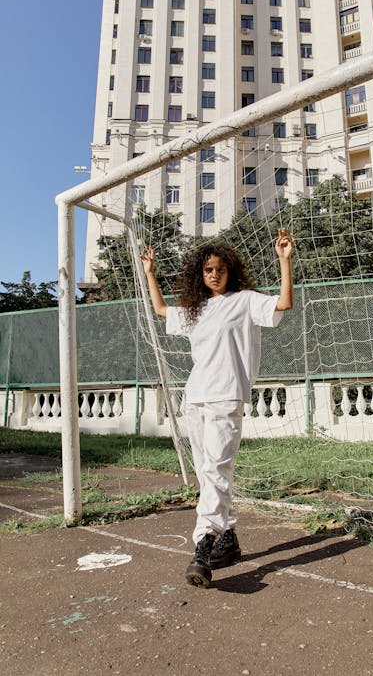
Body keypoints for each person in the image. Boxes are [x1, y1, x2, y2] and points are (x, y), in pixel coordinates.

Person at [140, 229, 295, 588]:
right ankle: (229, 540)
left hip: (227, 396)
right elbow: (163, 310)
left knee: (217, 470)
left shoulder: (244, 301)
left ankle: (203, 544)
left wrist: (284, 261)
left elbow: (283, 304)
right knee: (208, 472)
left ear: (230, 271)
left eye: (220, 268)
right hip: (194, 399)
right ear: (201, 274)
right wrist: (150, 273)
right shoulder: (196, 310)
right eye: (208, 269)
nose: (213, 274)